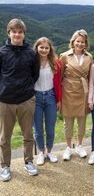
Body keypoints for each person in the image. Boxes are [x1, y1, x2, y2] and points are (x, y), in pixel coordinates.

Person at [0, 18, 40, 182]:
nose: (17, 34)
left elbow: (35, 75)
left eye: (20, 32)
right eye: (14, 31)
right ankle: (5, 166)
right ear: (9, 33)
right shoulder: (1, 52)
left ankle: (29, 161)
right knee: (4, 137)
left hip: (26, 100)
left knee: (28, 134)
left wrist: (27, 91)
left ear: (24, 34)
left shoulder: (31, 53)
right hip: (5, 100)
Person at [60, 29, 92, 161]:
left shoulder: (89, 57)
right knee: (68, 122)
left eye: (82, 42)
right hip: (67, 91)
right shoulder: (64, 56)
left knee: (82, 121)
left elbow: (90, 77)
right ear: (73, 42)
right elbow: (59, 76)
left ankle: (79, 146)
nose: (80, 44)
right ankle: (68, 147)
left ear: (85, 44)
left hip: (83, 90)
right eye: (78, 41)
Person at [33, 37, 62, 166]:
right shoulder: (32, 62)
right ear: (37, 48)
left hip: (51, 96)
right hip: (35, 97)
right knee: (38, 129)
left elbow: (58, 84)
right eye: (41, 47)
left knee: (50, 127)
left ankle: (50, 151)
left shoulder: (55, 63)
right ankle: (41, 152)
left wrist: (59, 100)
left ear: (50, 49)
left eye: (46, 47)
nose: (44, 50)